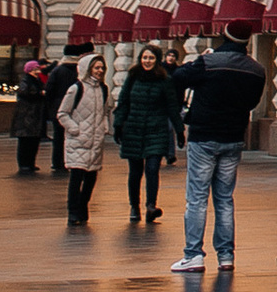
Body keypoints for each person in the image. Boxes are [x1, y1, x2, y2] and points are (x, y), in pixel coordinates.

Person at [172, 24, 265, 271]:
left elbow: (178, 77)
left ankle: (193, 254)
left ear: (224, 36)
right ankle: (226, 256)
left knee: (197, 198)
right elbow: (253, 102)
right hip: (233, 137)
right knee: (224, 199)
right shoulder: (257, 69)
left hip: (203, 135)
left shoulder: (208, 62)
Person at [114, 44, 179, 226]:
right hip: (134, 129)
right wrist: (118, 124)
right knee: (135, 171)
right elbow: (123, 101)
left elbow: (172, 106)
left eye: (151, 58)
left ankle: (151, 206)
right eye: (144, 57)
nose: (147, 61)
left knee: (152, 168)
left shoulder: (165, 80)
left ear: (157, 60)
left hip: (156, 130)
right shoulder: (133, 77)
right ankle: (134, 206)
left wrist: (179, 130)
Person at [57, 56, 110, 226]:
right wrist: (74, 128)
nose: (99, 71)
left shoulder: (103, 89)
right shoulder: (76, 88)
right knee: (76, 177)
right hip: (78, 140)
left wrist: (104, 127)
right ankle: (73, 210)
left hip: (95, 141)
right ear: (88, 69)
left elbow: (105, 111)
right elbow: (62, 113)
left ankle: (83, 205)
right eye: (96, 68)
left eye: (102, 68)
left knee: (91, 177)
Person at [11, 57, 52, 175]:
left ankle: (31, 163)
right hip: (27, 114)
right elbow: (24, 93)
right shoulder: (26, 80)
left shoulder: (37, 80)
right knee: (25, 141)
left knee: (34, 140)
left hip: (35, 114)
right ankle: (24, 164)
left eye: (37, 69)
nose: (37, 71)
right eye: (35, 69)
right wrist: (39, 93)